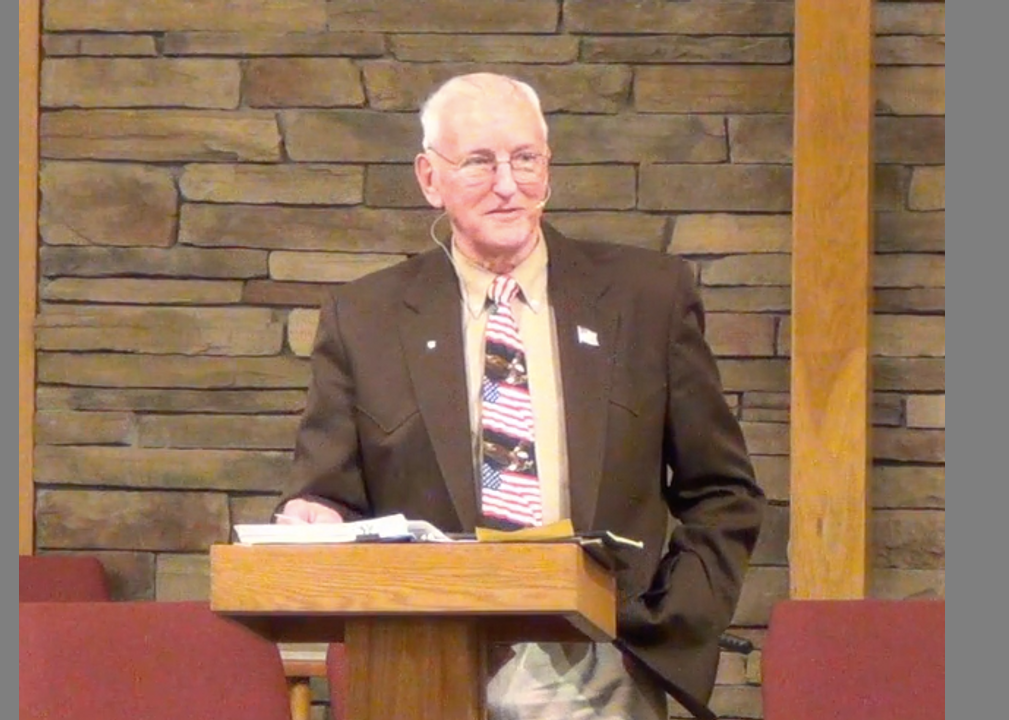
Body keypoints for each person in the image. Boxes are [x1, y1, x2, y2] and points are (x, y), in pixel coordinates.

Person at [274, 72, 765, 720]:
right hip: (419, 667)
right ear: (430, 178)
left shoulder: (648, 298)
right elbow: (327, 494)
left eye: (525, 159)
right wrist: (314, 516)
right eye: (479, 162)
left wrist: (668, 618)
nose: (507, 185)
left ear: (548, 168)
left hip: (601, 669)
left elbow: (723, 491)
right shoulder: (364, 318)